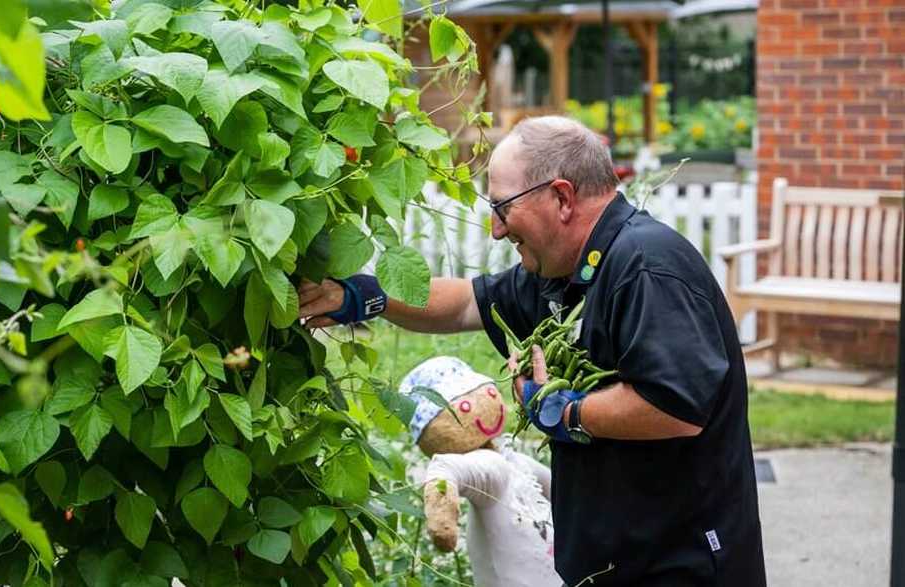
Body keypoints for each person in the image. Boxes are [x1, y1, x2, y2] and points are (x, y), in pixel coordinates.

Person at [298, 115, 766, 586]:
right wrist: (364, 297)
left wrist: (562, 411)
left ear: (561, 197)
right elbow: (464, 303)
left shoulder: (647, 265)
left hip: (679, 565)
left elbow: (678, 406)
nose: (496, 229)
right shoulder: (567, 274)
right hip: (617, 561)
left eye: (502, 207)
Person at [398, 356, 563, 587]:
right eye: (465, 406)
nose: (486, 403)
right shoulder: (490, 472)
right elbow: (446, 469)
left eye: (488, 393)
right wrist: (441, 513)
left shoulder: (510, 459)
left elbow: (557, 486)